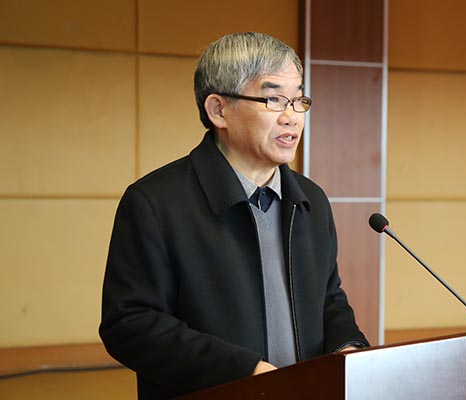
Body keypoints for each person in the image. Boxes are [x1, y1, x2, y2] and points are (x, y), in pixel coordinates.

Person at [99, 32, 368, 399]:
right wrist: (246, 373)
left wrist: (347, 350)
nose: (291, 117)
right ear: (218, 110)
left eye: (298, 100)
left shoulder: (311, 200)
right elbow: (131, 324)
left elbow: (328, 298)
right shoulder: (154, 202)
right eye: (274, 99)